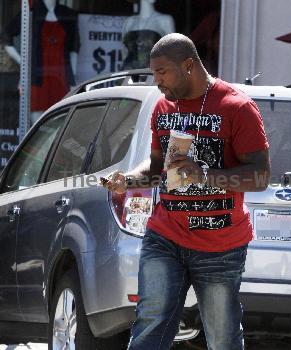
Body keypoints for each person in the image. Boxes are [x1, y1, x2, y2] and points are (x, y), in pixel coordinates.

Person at [101, 33, 270, 350]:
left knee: (222, 337)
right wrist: (128, 180)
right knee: (150, 326)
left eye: (162, 72)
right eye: (154, 73)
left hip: (221, 244)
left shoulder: (236, 108)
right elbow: (155, 169)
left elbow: (260, 176)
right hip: (165, 236)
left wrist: (204, 175)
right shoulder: (164, 108)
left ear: (188, 65)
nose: (157, 81)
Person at [4, 0, 79, 125]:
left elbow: (74, 49)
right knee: (38, 125)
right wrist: (24, 64)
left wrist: (73, 80)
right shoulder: (31, 12)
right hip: (37, 78)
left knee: (61, 121)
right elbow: (6, 37)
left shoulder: (68, 14)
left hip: (61, 77)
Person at [121, 0, 175, 69]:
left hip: (153, 72)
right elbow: (124, 52)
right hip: (128, 72)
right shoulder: (128, 22)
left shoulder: (165, 20)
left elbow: (172, 53)